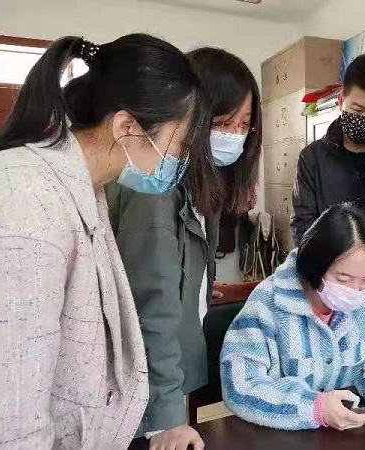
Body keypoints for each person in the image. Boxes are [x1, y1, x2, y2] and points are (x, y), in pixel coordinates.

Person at [0, 34, 216, 448]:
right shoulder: (24, 197)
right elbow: (11, 418)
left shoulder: (85, 189)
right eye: (180, 145)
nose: (181, 162)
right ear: (127, 127)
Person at [107, 47, 261, 450]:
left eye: (244, 125)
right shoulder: (153, 185)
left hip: (169, 376)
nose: (234, 135)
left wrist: (197, 286)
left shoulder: (198, 182)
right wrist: (168, 417)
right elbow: (149, 305)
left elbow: (170, 274)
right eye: (223, 122)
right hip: (143, 395)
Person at [221, 203, 365, 431]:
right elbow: (240, 385)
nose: (355, 291)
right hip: (280, 437)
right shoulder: (267, 304)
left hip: (348, 435)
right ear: (315, 265)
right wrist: (314, 408)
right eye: (343, 280)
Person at [291, 54, 365, 244]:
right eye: (357, 110)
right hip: (330, 259)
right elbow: (303, 226)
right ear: (341, 100)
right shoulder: (312, 158)